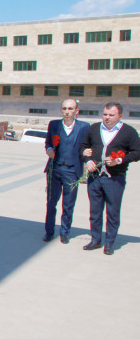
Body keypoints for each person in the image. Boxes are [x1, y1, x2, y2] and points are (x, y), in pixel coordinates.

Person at [80, 103, 140, 255]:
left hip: (114, 179)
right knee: (95, 211)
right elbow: (83, 147)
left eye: (111, 115)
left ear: (120, 116)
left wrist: (119, 161)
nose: (107, 117)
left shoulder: (128, 132)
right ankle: (95, 240)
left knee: (112, 212)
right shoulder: (94, 128)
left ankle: (109, 243)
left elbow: (137, 152)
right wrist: (87, 160)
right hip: (95, 178)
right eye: (105, 114)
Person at [43, 99, 89, 244]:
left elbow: (87, 145)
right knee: (51, 203)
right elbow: (48, 142)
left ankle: (64, 232)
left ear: (77, 111)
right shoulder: (54, 124)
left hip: (72, 171)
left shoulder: (84, 127)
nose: (67, 111)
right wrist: (49, 149)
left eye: (70, 108)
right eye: (64, 108)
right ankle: (49, 232)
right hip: (55, 168)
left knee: (68, 204)